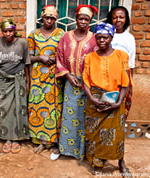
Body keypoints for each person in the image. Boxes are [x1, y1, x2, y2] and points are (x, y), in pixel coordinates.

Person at [82, 22, 132, 176]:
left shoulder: (121, 55)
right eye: (99, 38)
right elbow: (85, 80)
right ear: (95, 38)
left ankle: (121, 163)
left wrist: (118, 103)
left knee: (116, 134)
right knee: (95, 133)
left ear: (111, 37)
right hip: (95, 100)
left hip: (115, 98)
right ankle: (97, 165)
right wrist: (92, 98)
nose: (102, 40)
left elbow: (126, 82)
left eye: (105, 37)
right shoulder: (90, 57)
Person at [55, 5, 98, 161]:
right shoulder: (66, 36)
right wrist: (67, 74)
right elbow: (59, 57)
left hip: (88, 84)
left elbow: (98, 60)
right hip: (71, 82)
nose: (83, 22)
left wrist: (89, 80)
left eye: (87, 19)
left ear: (90, 21)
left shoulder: (94, 38)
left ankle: (82, 152)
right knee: (68, 116)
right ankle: (66, 149)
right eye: (81, 18)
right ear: (76, 19)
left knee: (84, 117)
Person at [27, 5, 64, 154]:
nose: (49, 20)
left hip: (55, 77)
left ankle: (54, 141)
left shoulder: (61, 34)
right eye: (46, 17)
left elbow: (64, 55)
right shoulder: (33, 34)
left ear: (56, 19)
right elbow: (28, 56)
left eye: (52, 18)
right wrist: (39, 58)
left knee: (54, 109)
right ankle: (41, 141)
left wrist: (54, 59)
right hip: (37, 78)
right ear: (42, 17)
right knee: (38, 107)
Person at [0, 19, 30, 154]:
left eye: (10, 31)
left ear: (14, 31)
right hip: (2, 80)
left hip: (18, 79)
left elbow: (26, 64)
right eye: (5, 31)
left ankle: (16, 139)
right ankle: (6, 138)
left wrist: (27, 83)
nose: (8, 34)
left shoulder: (22, 43)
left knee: (18, 108)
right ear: (2, 32)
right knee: (3, 108)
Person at [106, 6, 135, 120]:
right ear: (110, 19)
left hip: (123, 80)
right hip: (106, 78)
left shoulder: (129, 38)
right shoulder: (105, 35)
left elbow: (131, 63)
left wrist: (130, 86)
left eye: (121, 17)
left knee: (120, 110)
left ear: (126, 19)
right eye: (115, 17)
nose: (118, 20)